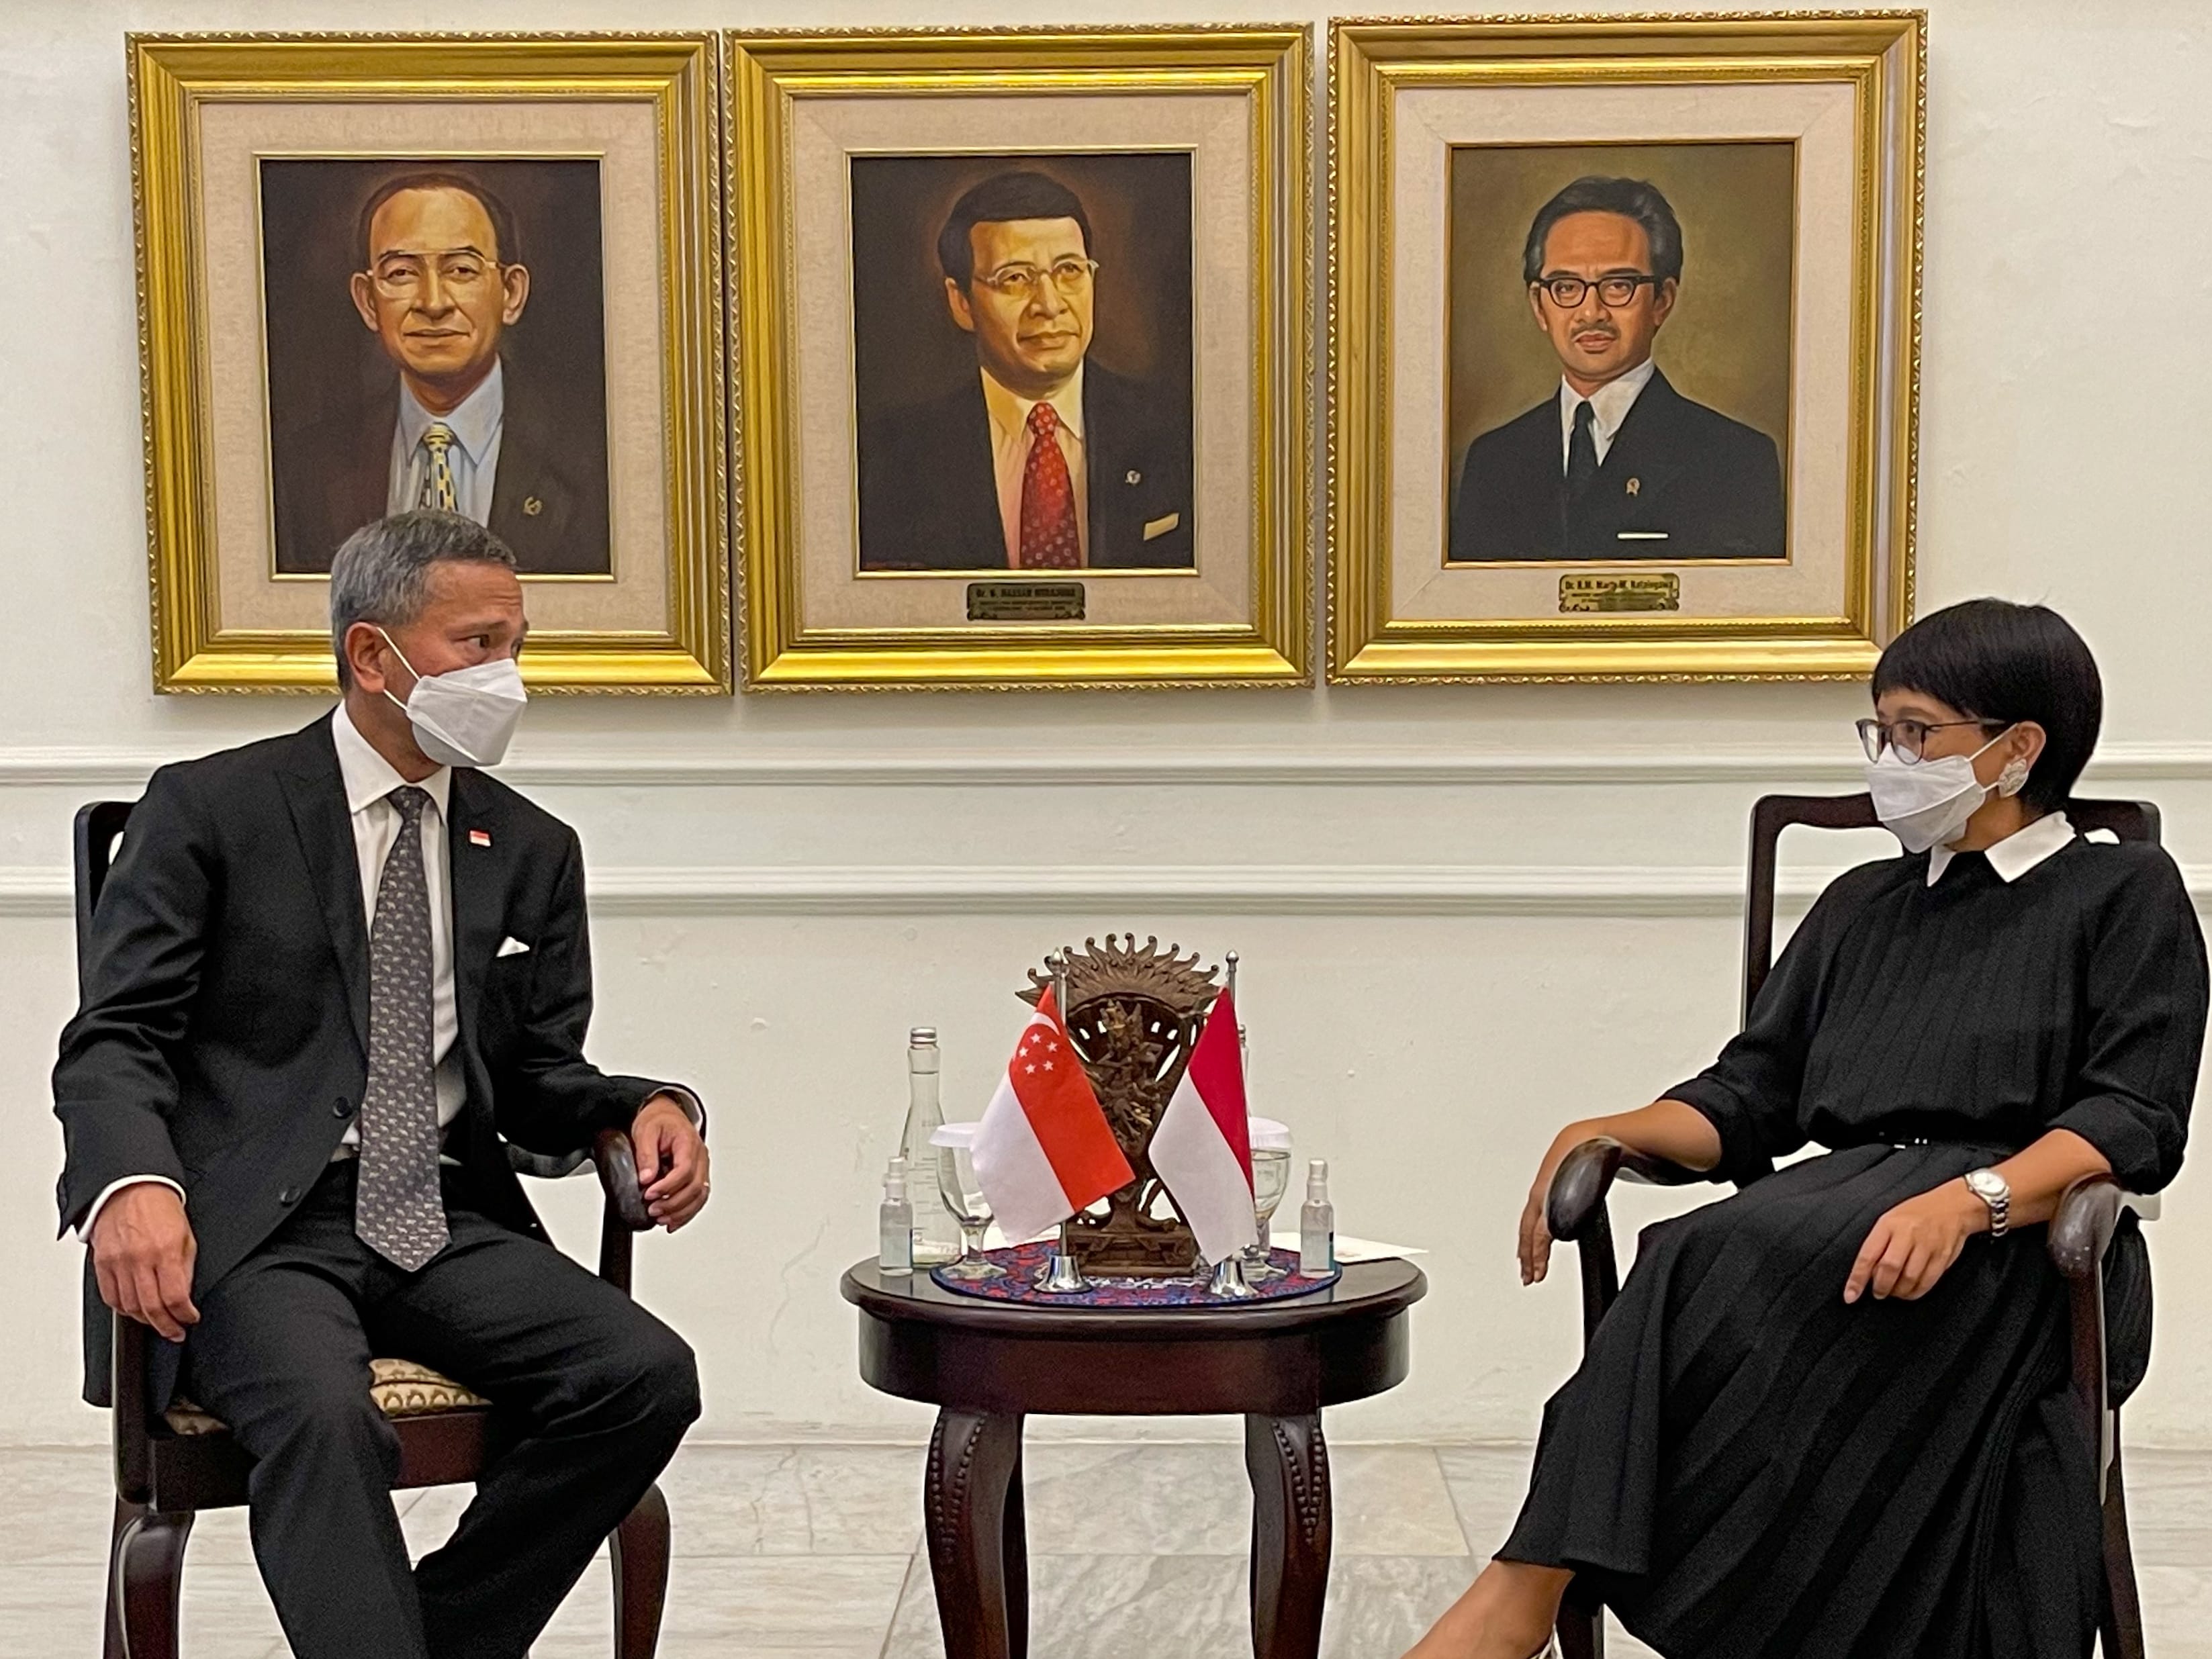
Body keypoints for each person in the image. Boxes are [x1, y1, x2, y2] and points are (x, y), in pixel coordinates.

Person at [1406, 599, 2206, 1659]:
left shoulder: (2121, 890)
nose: (1893, 758)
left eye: (1920, 732)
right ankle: (1529, 1588)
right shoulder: (1860, 902)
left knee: (1720, 1250)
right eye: (1881, 731)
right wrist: (1605, 1127)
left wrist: (1972, 1203)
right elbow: (1752, 1094)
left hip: (2028, 1244)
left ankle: (1519, 1597)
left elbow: (2133, 1112)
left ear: (2018, 748)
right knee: (1709, 1248)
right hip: (1846, 1216)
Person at [54, 510, 709, 1659]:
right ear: (371, 655)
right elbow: (115, 1038)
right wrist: (130, 1185)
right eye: (475, 643)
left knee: (643, 1373)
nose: (505, 675)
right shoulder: (212, 810)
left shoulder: (531, 845)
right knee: (321, 1416)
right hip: (255, 1229)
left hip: (442, 1214)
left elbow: (540, 1079)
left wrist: (646, 1107)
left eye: (517, 645)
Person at [273, 171, 612, 576]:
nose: (433, 303)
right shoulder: (306, 470)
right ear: (367, 302)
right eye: (401, 273)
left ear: (511, 293)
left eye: (461, 270)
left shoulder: (598, 457)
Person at [856, 169, 1195, 571]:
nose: (1049, 305)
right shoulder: (890, 459)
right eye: (1015, 278)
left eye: (1069, 271)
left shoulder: (1180, 430)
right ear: (962, 303)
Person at [1450, 175, 1786, 563]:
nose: (1591, 313)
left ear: (1663, 300)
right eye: (1566, 287)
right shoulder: (1493, 461)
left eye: (1618, 285)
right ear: (1539, 305)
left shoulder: (1735, 461)